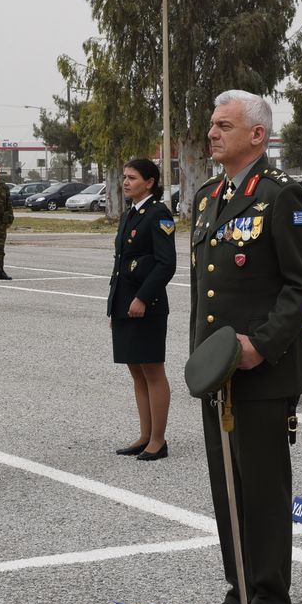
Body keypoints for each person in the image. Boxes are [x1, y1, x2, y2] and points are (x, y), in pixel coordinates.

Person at [188, 90, 302, 604]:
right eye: (212, 124)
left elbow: (301, 287)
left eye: (224, 125)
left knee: (262, 488)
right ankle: (239, 586)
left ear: (257, 135)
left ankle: (271, 601)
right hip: (219, 369)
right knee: (226, 485)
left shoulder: (281, 197)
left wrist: (260, 345)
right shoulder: (208, 196)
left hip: (262, 370)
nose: (212, 133)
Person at [108, 157, 176, 461]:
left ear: (149, 182)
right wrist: (115, 306)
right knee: (136, 371)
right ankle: (145, 434)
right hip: (125, 303)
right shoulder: (130, 214)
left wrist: (143, 299)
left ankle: (158, 440)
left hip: (146, 306)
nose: (126, 182)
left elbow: (166, 264)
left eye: (132, 177)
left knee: (152, 370)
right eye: (124, 177)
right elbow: (120, 265)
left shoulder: (158, 214)